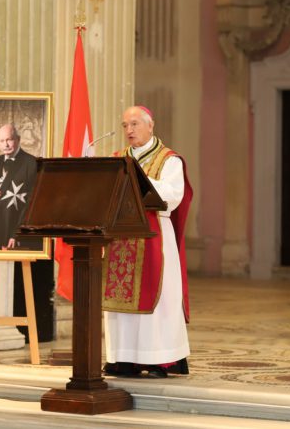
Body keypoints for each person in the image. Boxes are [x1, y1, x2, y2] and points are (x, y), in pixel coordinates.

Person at [102, 105, 193, 379]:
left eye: (135, 124)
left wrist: (139, 183)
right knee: (120, 301)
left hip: (155, 238)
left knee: (159, 299)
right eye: (125, 126)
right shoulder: (117, 159)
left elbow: (173, 195)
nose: (129, 130)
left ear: (150, 126)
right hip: (120, 238)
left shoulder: (169, 160)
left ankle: (158, 360)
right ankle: (123, 359)